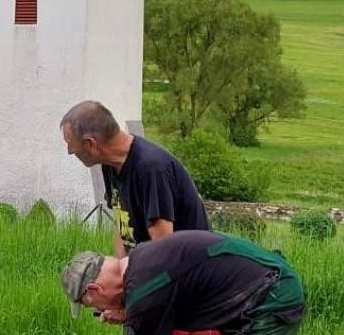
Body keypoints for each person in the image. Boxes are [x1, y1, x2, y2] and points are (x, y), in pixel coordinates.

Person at [62, 230, 305, 335]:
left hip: (271, 296)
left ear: (95, 289)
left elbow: (150, 305)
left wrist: (134, 315)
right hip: (267, 276)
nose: (100, 310)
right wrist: (129, 313)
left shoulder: (144, 290)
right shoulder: (140, 259)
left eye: (91, 304)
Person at [61, 100, 209, 257]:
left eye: (71, 144)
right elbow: (122, 224)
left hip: (188, 268)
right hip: (150, 265)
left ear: (90, 144)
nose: (69, 151)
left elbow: (163, 243)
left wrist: (137, 277)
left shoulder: (151, 169)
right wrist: (121, 271)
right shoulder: (110, 164)